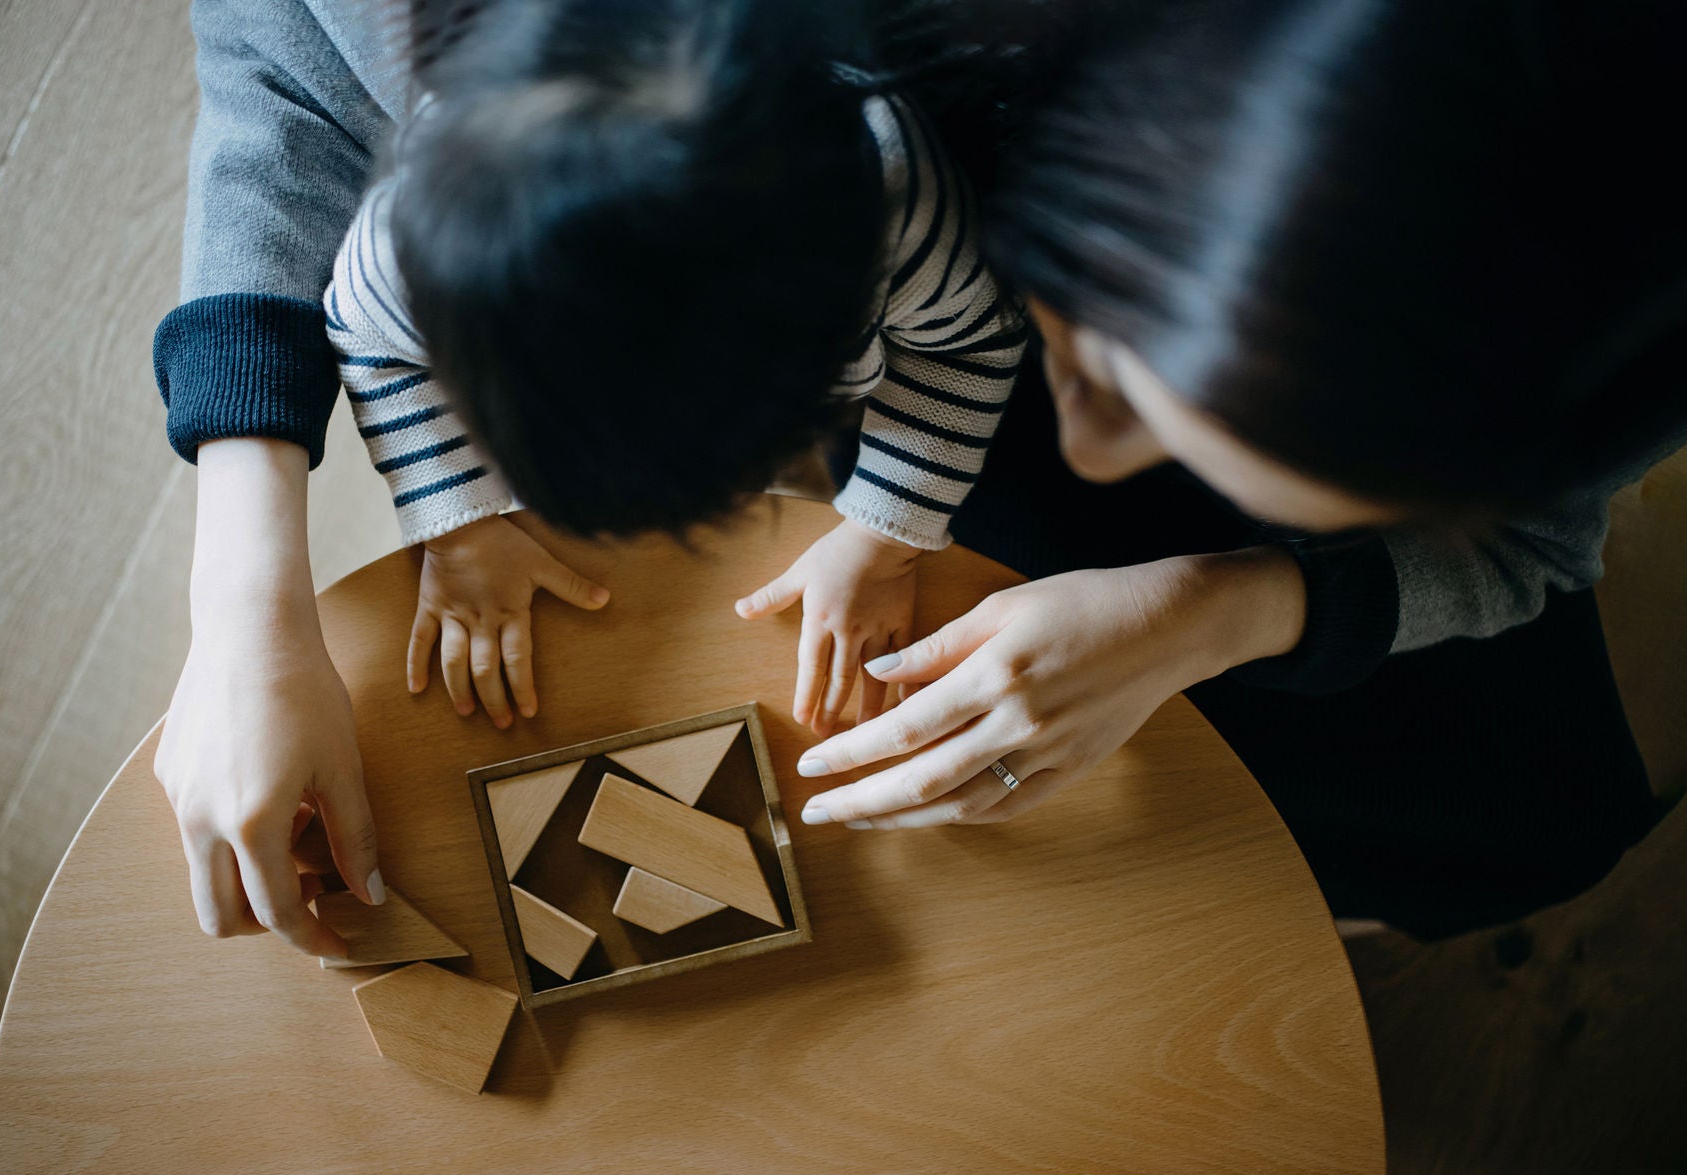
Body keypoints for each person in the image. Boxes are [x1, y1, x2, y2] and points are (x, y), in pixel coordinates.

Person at [790, 0, 1686, 934]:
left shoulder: (1612, 322)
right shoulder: (880, 113)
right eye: (1102, 373)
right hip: (975, 395)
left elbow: (1526, 550)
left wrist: (1220, 610)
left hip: (1340, 572)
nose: (1090, 456)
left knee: (1538, 826)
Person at [152, 0, 1020, 952]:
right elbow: (369, 343)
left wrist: (887, 532)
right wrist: (462, 522)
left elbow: (973, 343)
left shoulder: (887, 191)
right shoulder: (408, 244)